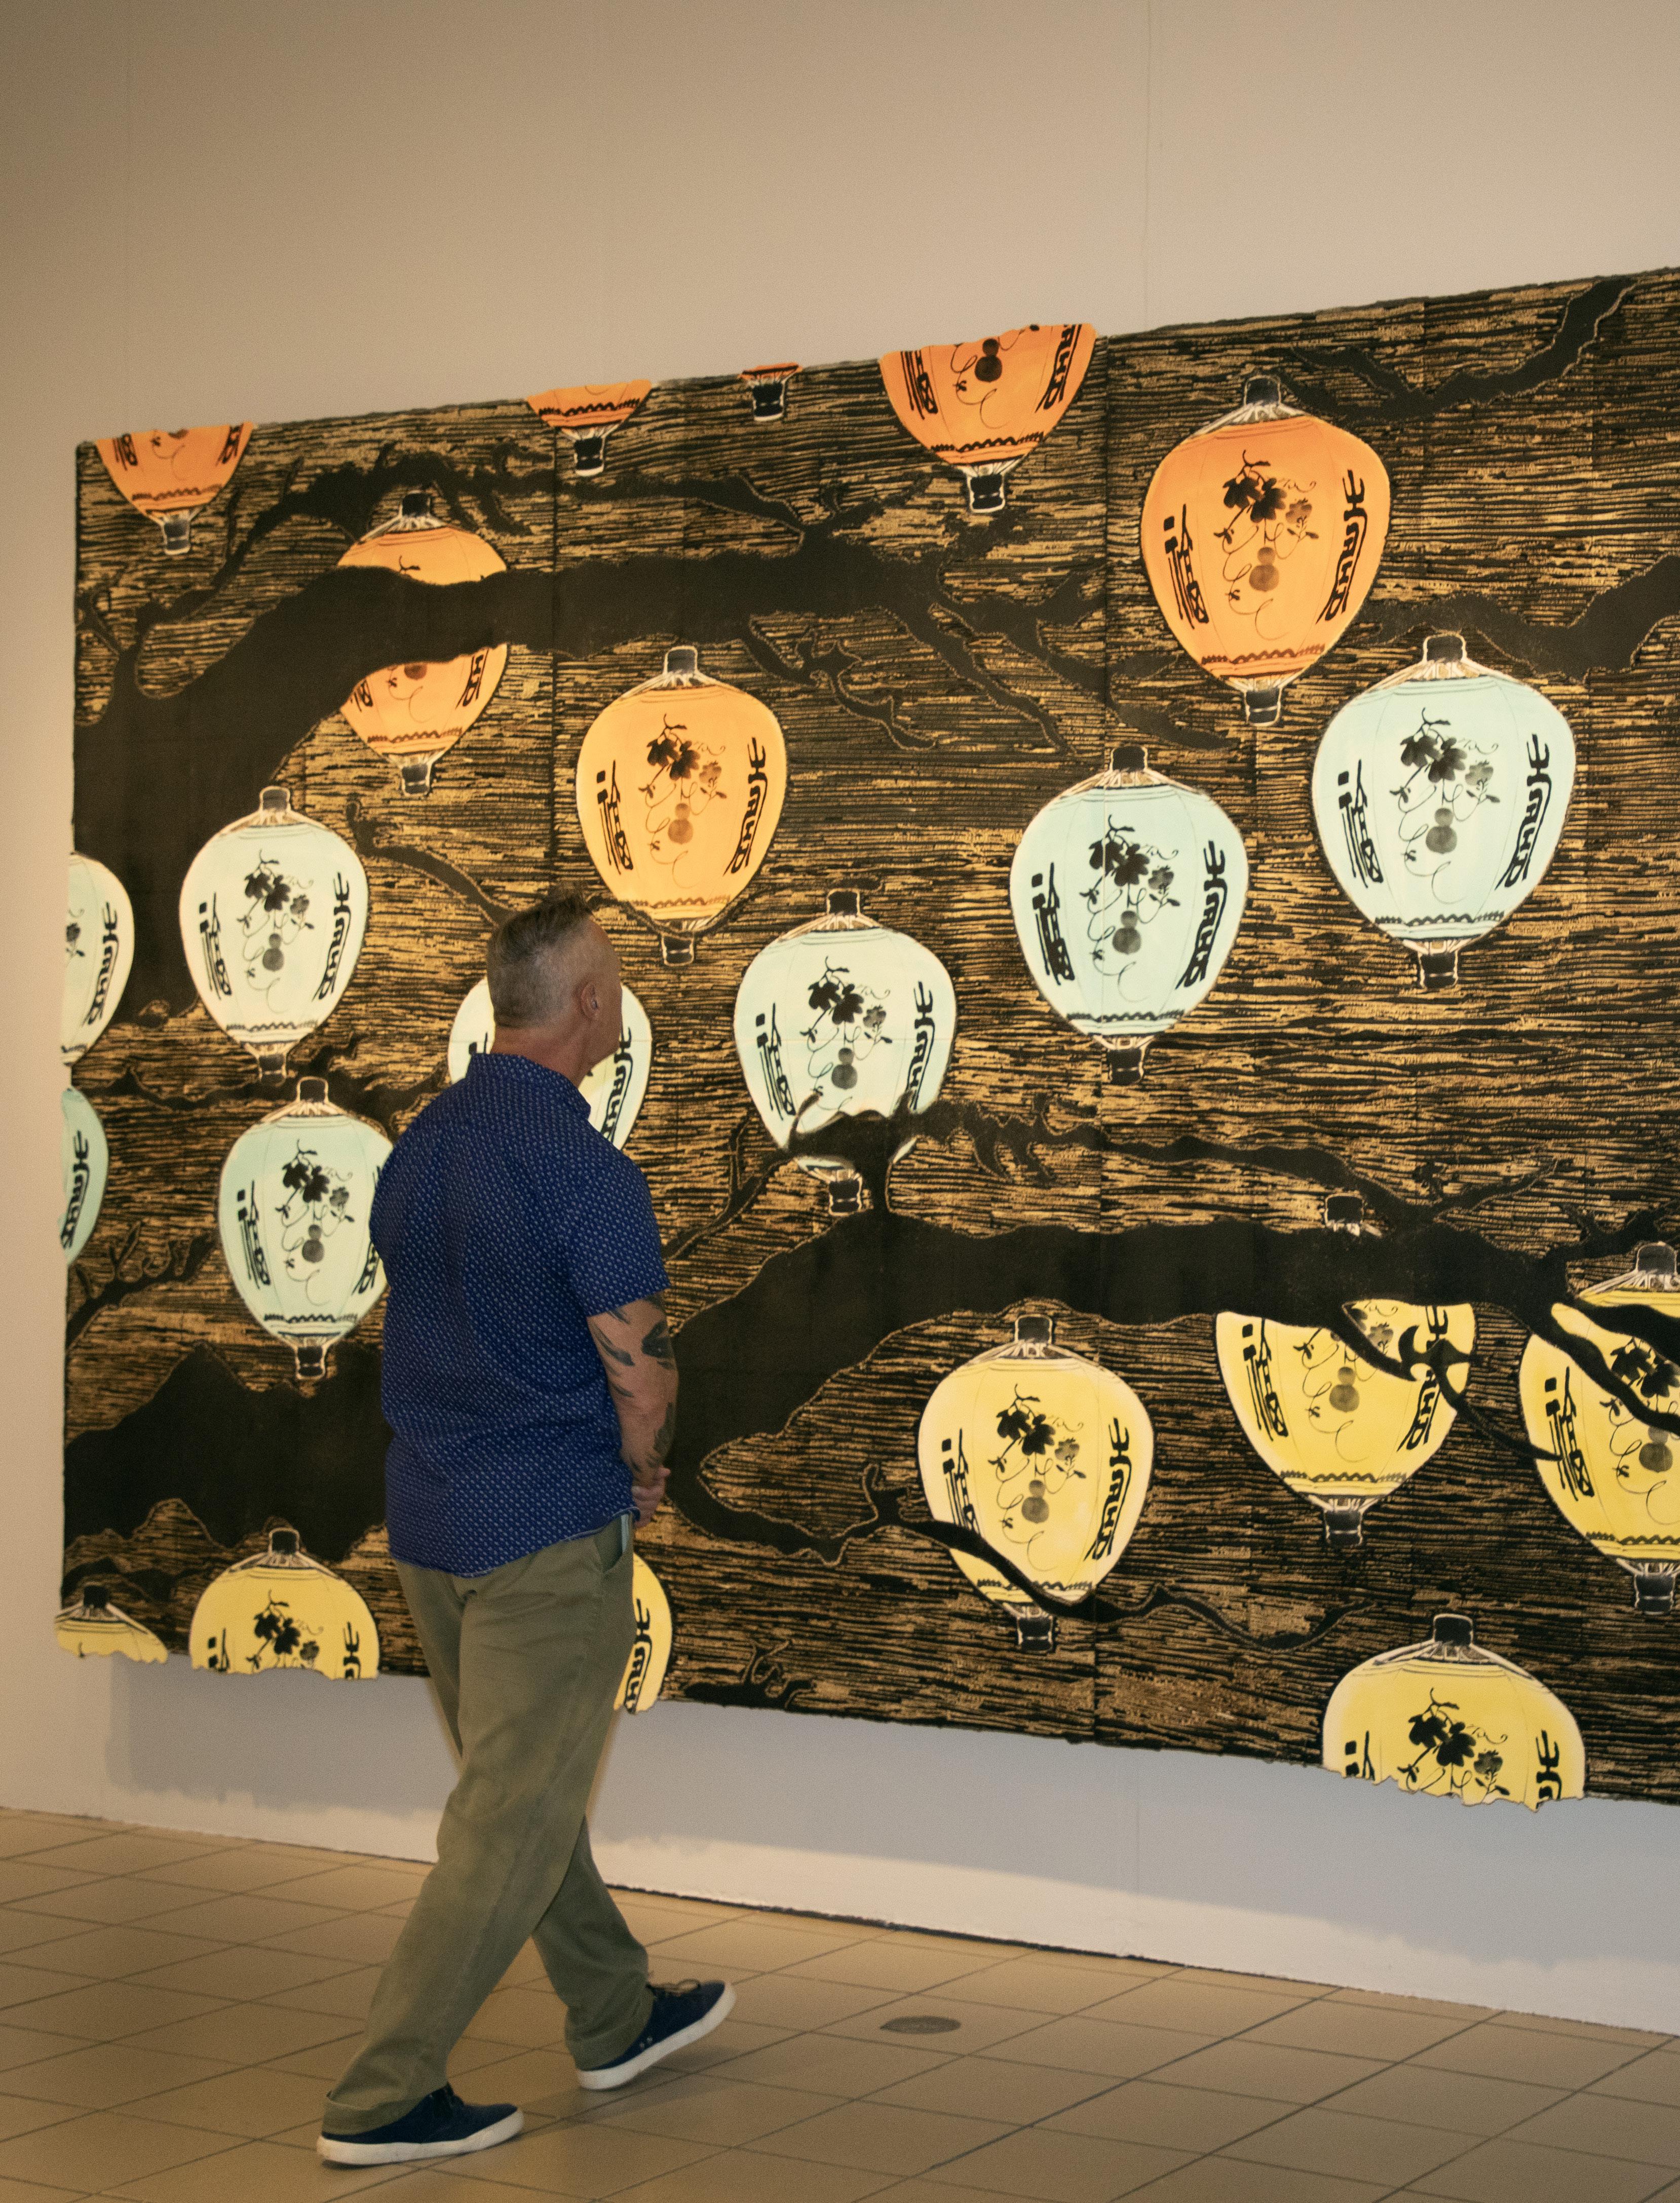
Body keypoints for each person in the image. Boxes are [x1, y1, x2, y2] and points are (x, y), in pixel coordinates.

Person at [318, 893, 732, 2169]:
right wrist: (643, 1470)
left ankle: (612, 2010)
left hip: (430, 1523)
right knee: (506, 1814)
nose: (622, 995)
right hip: (545, 1532)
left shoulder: (419, 1145)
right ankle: (384, 2091)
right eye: (614, 978)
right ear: (588, 1006)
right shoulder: (583, 1168)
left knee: (522, 1790)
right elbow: (641, 1373)